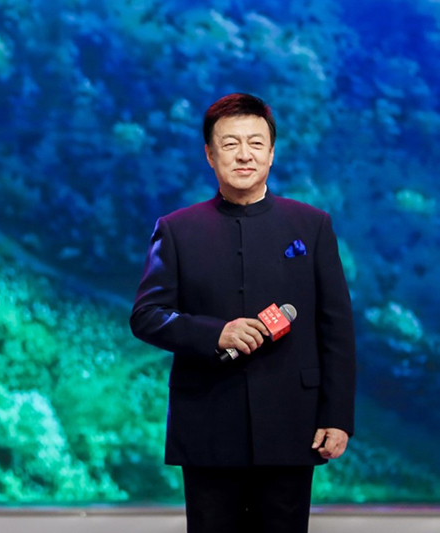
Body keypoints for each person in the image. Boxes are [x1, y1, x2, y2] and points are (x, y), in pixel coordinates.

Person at [129, 94, 356, 533]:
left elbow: (336, 328)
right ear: (209, 155)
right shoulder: (176, 229)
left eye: (255, 143)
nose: (244, 154)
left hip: (292, 420)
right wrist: (215, 333)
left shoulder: (312, 225)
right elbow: (147, 315)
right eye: (230, 144)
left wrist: (337, 416)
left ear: (271, 153)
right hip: (208, 420)